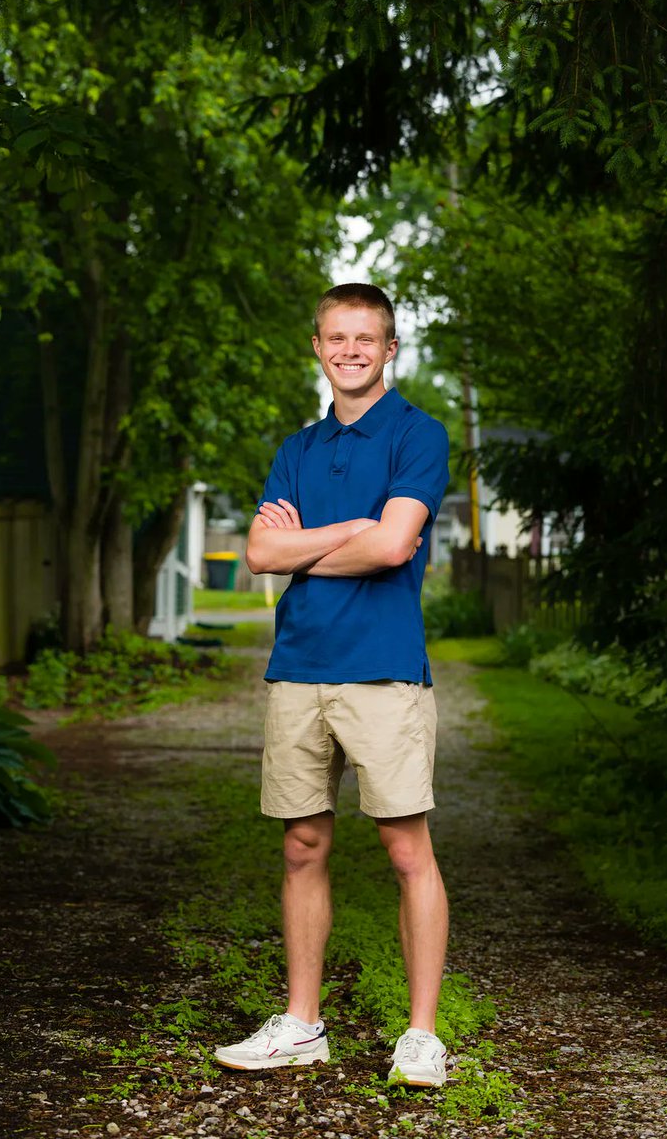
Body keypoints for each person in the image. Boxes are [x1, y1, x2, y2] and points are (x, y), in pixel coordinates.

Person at [214, 283, 450, 1087]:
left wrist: (312, 545)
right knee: (302, 844)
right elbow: (259, 555)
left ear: (390, 349)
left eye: (365, 338)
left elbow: (393, 547)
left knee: (406, 848)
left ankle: (421, 1037)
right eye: (335, 338)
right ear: (317, 347)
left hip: (384, 668)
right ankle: (302, 1024)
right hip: (299, 667)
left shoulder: (418, 434)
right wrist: (353, 528)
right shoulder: (298, 449)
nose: (350, 351)